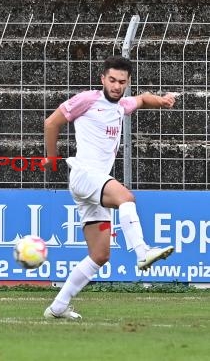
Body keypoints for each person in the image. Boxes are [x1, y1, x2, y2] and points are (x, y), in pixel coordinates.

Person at [42, 56, 175, 320]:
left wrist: (161, 100)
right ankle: (142, 251)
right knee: (126, 197)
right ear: (103, 79)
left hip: (95, 184)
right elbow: (51, 123)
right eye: (111, 80)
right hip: (84, 175)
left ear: (127, 83)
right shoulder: (87, 100)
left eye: (121, 82)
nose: (116, 86)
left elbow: (142, 99)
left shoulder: (122, 105)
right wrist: (52, 158)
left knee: (100, 255)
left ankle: (57, 306)